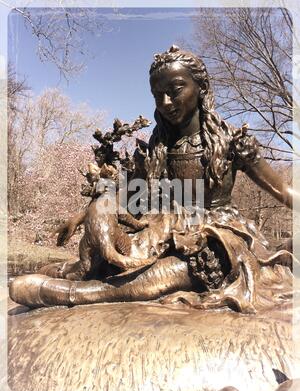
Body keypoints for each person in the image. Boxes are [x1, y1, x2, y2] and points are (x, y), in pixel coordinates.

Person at [9, 46, 296, 312]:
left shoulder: (233, 142)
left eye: (175, 90)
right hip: (165, 226)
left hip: (214, 234)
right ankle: (73, 272)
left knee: (180, 270)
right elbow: (130, 194)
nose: (166, 102)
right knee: (109, 249)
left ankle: (75, 294)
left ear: (201, 87)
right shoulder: (159, 148)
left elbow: (283, 190)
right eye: (158, 95)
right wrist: (83, 216)